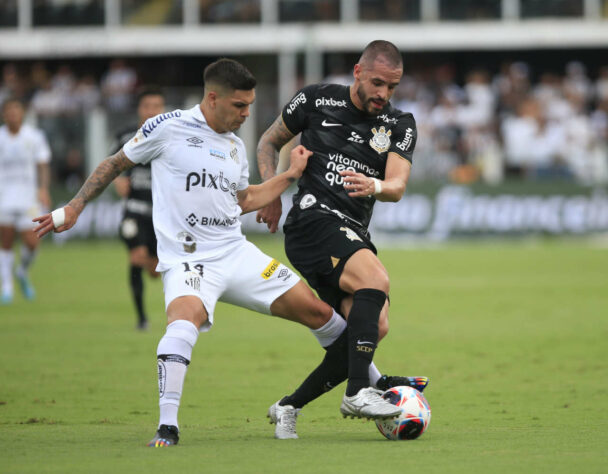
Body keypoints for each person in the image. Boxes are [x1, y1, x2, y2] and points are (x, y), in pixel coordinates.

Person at [33, 58, 402, 447]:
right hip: (188, 259)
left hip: (235, 253)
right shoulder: (168, 126)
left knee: (320, 313)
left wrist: (288, 177)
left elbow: (243, 199)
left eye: (249, 105)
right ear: (213, 98)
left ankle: (374, 385)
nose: (246, 114)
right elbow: (115, 163)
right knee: (184, 321)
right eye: (240, 106)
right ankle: (167, 425)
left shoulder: (233, 146)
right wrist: (74, 206)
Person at [256, 40, 428, 438]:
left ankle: (287, 407)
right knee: (376, 280)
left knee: (373, 328)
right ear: (357, 72)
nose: (383, 94)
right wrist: (271, 191)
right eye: (378, 83)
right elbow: (269, 141)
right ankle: (358, 391)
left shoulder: (400, 124)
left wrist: (375, 185)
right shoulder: (316, 100)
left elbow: (398, 186)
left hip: (351, 231)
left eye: (392, 87)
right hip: (312, 221)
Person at [112, 87, 165, 330]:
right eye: (147, 106)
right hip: (134, 210)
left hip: (162, 214)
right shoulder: (126, 137)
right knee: (137, 256)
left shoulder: (174, 136)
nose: (152, 111)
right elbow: (111, 166)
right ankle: (142, 319)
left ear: (163, 109)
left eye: (156, 106)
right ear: (139, 109)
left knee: (155, 271)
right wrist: (118, 180)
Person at [0, 98, 51, 304]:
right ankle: (7, 287)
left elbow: (43, 164)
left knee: (32, 242)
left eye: (16, 110)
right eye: (9, 111)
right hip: (4, 196)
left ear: (22, 113)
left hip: (28, 197)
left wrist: (43, 188)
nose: (13, 114)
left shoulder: (34, 136)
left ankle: (21, 272)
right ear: (4, 114)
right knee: (6, 242)